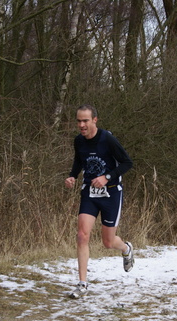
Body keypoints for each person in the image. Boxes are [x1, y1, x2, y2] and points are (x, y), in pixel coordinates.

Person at [64, 104, 134, 298]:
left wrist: (107, 178)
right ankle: (82, 284)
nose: (81, 125)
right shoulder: (79, 141)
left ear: (95, 120)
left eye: (85, 120)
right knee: (82, 235)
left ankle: (126, 248)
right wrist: (72, 176)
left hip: (111, 193)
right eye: (78, 121)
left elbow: (128, 163)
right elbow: (79, 160)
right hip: (90, 193)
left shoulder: (107, 139)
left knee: (108, 242)